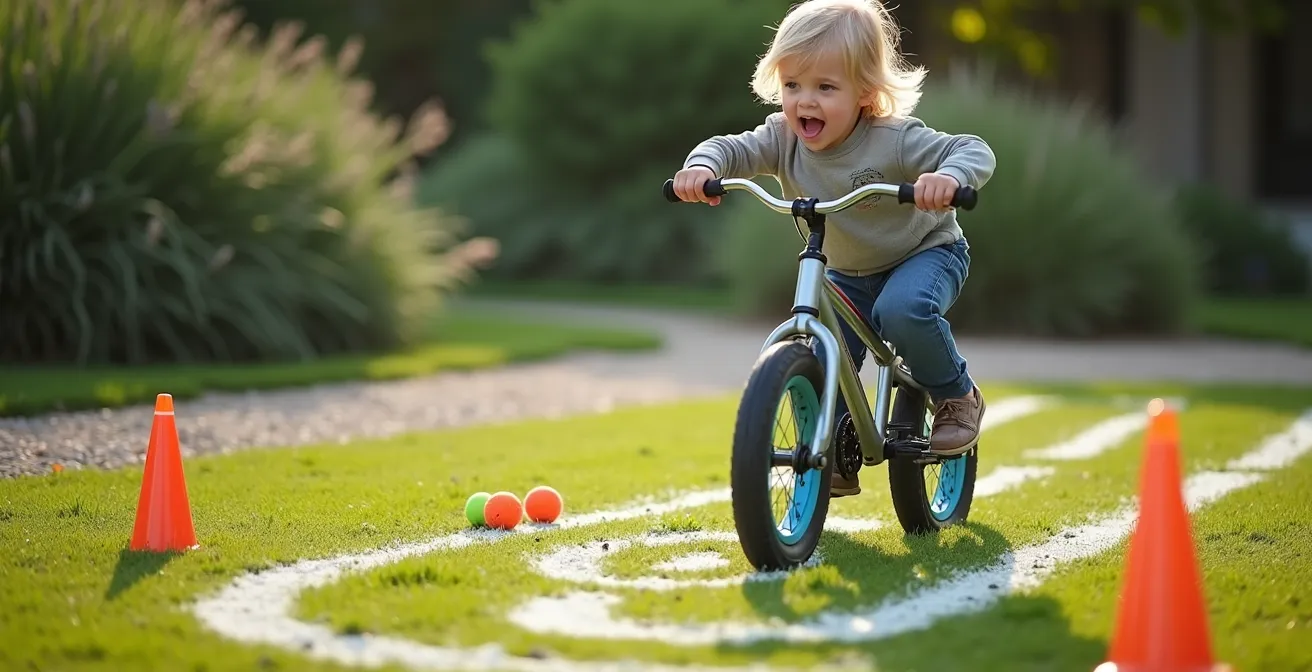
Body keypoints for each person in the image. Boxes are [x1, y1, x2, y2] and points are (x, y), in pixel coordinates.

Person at [670, 0, 995, 497]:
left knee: (902, 310)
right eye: (793, 86)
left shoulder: (894, 139)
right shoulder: (783, 138)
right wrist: (701, 166)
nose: (805, 102)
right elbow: (732, 147)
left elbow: (972, 149)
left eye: (825, 87)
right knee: (826, 354)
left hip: (924, 253)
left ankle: (957, 395)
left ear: (865, 92)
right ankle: (833, 446)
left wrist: (947, 176)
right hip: (846, 273)